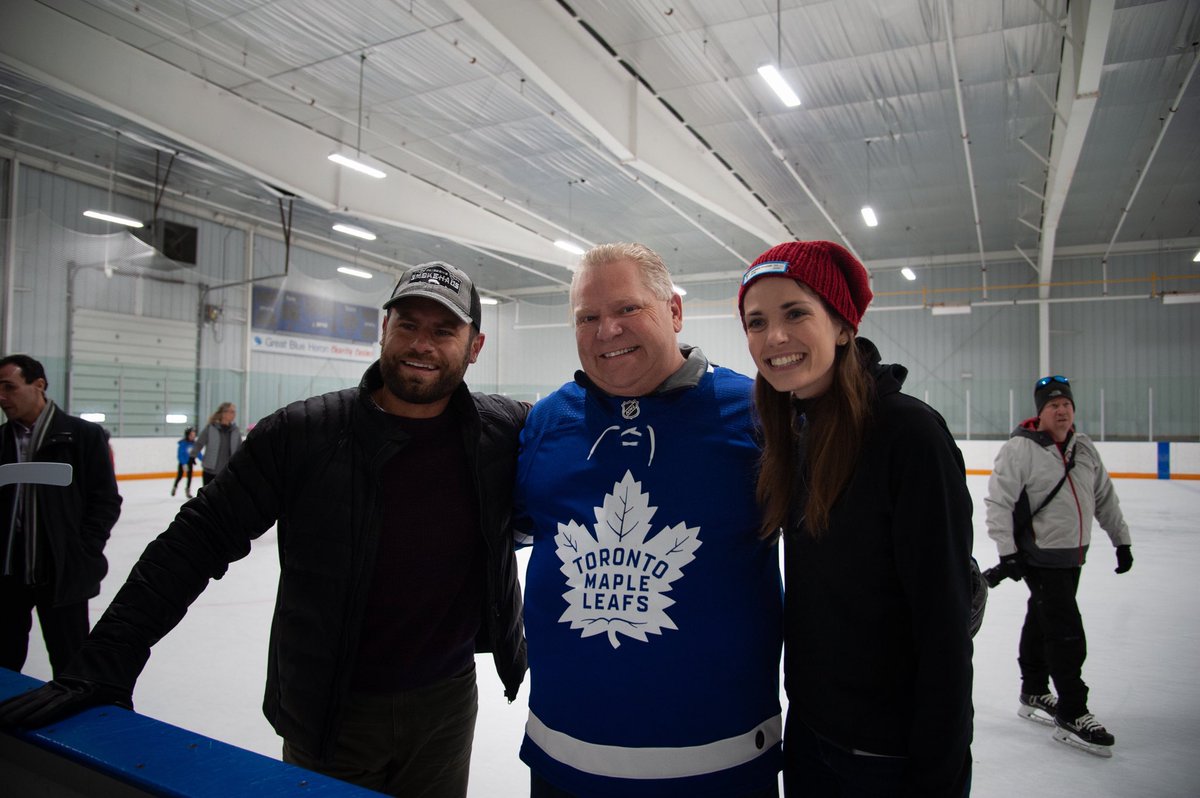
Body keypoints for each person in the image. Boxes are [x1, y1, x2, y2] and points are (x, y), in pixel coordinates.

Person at [0, 262, 529, 798]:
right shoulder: (303, 434)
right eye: (409, 324)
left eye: (444, 330)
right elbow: (196, 539)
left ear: (475, 345)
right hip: (330, 706)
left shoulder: (501, 433)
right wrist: (107, 658)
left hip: (447, 705)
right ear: (384, 327)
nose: (422, 344)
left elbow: (587, 435)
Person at [516, 243, 783, 797]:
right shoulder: (545, 421)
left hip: (720, 768)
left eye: (627, 309)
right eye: (587, 317)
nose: (606, 330)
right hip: (563, 765)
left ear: (675, 311)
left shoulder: (758, 414)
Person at [738, 241, 974, 797]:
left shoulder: (907, 435)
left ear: (843, 326)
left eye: (796, 313)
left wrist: (938, 777)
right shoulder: (791, 431)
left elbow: (944, 625)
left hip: (888, 758)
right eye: (757, 322)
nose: (774, 337)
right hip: (812, 738)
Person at [983, 374, 1132, 758]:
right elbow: (999, 501)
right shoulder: (1021, 449)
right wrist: (1007, 552)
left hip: (1073, 554)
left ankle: (1033, 689)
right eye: (1053, 405)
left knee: (1042, 616)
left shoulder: (1083, 448)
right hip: (1041, 555)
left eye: (1066, 404)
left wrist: (1122, 540)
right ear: (1040, 413)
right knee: (1065, 630)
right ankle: (1072, 710)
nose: (1062, 410)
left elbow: (1104, 497)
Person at [0, 354, 122, 678]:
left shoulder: (82, 437)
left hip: (63, 573)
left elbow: (106, 501)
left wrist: (82, 551)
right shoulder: (1, 442)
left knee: (70, 666)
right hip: (8, 575)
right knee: (4, 660)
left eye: (9, 387)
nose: (2, 397)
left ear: (38, 385)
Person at [192, 401, 241, 485]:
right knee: (209, 497)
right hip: (210, 470)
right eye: (232, 412)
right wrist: (192, 456)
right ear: (224, 413)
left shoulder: (235, 431)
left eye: (234, 412)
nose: (234, 414)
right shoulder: (211, 428)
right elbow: (199, 443)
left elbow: (240, 449)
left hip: (228, 472)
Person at [171, 426, 197, 498]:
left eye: (194, 435)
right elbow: (180, 455)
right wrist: (184, 464)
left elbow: (198, 453)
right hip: (183, 463)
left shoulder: (194, 444)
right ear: (187, 435)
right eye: (191, 435)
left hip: (190, 462)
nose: (193, 436)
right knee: (179, 476)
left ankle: (188, 490)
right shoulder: (183, 444)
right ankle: (175, 487)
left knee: (189, 477)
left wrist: (204, 459)